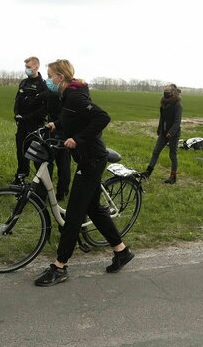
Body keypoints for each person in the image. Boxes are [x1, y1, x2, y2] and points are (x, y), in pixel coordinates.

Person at [34, 59, 134, 287]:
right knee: (93, 208)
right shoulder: (67, 96)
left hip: (92, 159)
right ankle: (121, 251)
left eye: (50, 75)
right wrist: (56, 125)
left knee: (74, 215)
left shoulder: (75, 95)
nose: (48, 79)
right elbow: (73, 118)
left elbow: (102, 117)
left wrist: (77, 139)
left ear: (60, 76)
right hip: (86, 158)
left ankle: (59, 267)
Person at [13, 56, 49, 183]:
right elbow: (17, 100)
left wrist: (28, 117)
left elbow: (44, 108)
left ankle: (39, 180)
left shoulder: (43, 85)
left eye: (28, 67)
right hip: (22, 124)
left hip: (35, 125)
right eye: (25, 67)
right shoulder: (23, 82)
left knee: (35, 153)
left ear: (36, 67)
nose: (26, 69)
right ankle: (21, 176)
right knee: (21, 150)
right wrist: (16, 114)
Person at [143, 84, 183, 184]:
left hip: (173, 134)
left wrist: (171, 132)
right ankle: (147, 173)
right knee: (156, 152)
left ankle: (173, 177)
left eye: (168, 91)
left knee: (172, 155)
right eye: (165, 91)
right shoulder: (163, 104)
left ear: (173, 93)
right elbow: (162, 118)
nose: (165, 93)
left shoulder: (178, 106)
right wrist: (159, 129)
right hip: (163, 133)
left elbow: (177, 122)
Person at [41, 78, 71, 201]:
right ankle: (62, 192)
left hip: (55, 130)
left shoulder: (52, 93)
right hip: (62, 130)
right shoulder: (66, 93)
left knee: (48, 162)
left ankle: (44, 192)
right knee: (64, 164)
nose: (48, 80)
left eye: (50, 75)